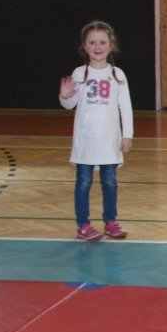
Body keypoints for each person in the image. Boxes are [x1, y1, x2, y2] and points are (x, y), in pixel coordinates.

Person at [58, 20, 133, 241]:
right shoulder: (79, 73)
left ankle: (110, 222)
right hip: (86, 141)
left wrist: (127, 135)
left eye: (102, 42)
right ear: (85, 46)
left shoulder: (118, 74)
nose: (97, 47)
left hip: (109, 141)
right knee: (83, 183)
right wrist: (65, 96)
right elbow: (70, 105)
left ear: (111, 45)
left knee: (110, 183)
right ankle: (83, 225)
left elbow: (125, 107)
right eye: (92, 42)